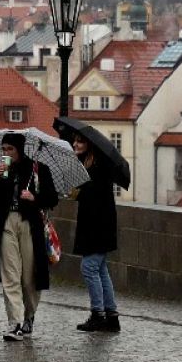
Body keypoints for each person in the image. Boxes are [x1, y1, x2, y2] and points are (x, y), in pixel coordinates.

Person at [0, 131, 58, 341]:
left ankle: (29, 316)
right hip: (6, 223)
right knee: (10, 275)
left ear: (19, 150)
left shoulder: (38, 169)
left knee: (30, 276)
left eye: (10, 149)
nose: (6, 153)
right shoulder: (3, 171)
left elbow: (52, 198)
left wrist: (34, 197)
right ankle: (15, 323)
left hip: (30, 224)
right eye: (3, 149)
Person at [69, 132, 121, 333]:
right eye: (75, 140)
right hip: (98, 223)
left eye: (80, 141)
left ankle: (98, 314)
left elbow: (92, 193)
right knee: (100, 270)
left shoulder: (98, 166)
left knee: (89, 268)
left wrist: (78, 191)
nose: (75, 144)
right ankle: (111, 316)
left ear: (90, 144)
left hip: (98, 224)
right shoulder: (87, 163)